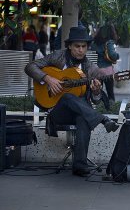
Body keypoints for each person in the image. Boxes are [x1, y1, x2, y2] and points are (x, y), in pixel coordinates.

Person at [25, 26, 119, 177]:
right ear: (69, 46)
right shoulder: (58, 57)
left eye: (83, 46)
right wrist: (48, 79)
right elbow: (30, 66)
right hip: (58, 111)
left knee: (83, 118)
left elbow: (95, 100)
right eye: (77, 46)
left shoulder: (92, 69)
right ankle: (102, 119)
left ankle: (80, 166)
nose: (80, 50)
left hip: (81, 111)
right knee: (67, 96)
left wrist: (96, 91)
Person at [93, 23, 120, 103]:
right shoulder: (109, 42)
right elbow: (112, 55)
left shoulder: (95, 42)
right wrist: (117, 56)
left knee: (97, 91)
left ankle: (98, 106)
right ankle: (110, 108)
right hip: (107, 70)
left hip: (96, 70)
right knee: (110, 93)